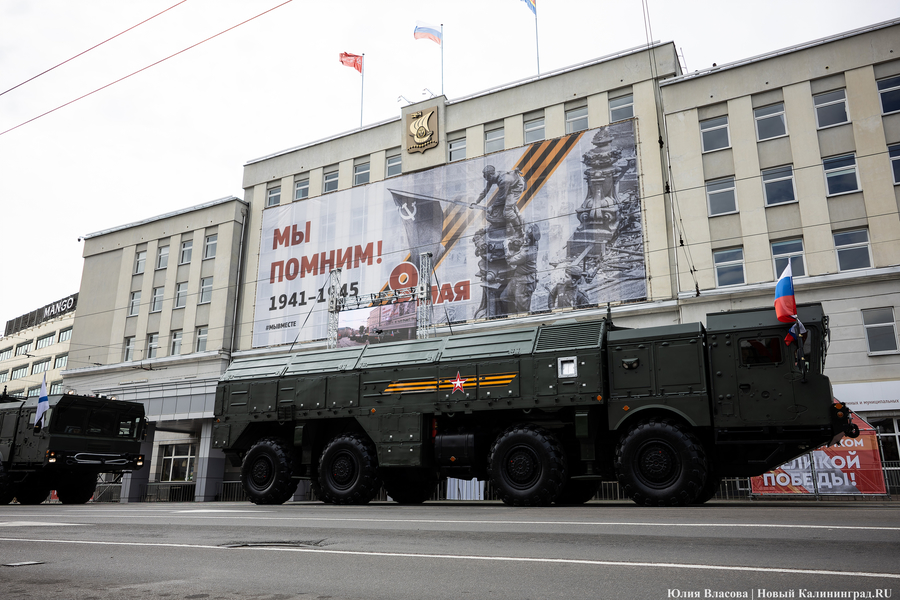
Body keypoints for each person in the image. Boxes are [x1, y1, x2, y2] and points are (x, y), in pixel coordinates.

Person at [472, 165, 526, 238]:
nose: (487, 180)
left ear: (490, 175)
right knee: (507, 205)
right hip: (510, 185)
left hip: (516, 187)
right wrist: (477, 202)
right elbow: (485, 190)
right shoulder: (493, 177)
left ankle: (519, 231)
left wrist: (492, 206)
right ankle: (518, 219)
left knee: (507, 212)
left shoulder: (503, 180)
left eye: (486, 178)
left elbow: (501, 197)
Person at [500, 224, 541, 314]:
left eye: (526, 235)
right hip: (518, 278)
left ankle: (520, 321)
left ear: (529, 240)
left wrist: (506, 247)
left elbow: (510, 261)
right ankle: (514, 314)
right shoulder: (534, 244)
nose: (524, 235)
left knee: (523, 309)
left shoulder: (526, 254)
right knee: (504, 296)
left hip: (524, 283)